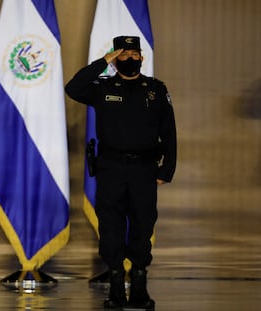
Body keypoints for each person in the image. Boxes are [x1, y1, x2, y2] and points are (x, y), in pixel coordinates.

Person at [65, 36, 176, 310]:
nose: (128, 59)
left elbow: (169, 133)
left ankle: (139, 288)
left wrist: (167, 169)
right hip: (111, 169)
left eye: (133, 54)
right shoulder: (102, 88)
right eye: (122, 55)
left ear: (142, 57)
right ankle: (115, 288)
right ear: (115, 59)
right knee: (111, 228)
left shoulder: (155, 90)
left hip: (144, 170)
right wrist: (104, 62)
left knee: (142, 226)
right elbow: (73, 87)